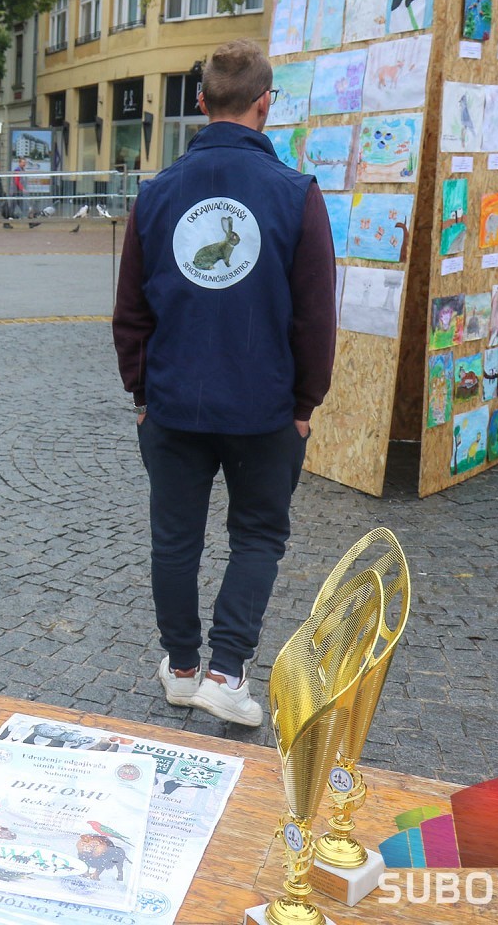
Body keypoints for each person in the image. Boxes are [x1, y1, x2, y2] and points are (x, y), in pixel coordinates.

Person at [111, 38, 336, 728]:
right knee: (258, 537)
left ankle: (181, 667)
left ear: (200, 101)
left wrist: (142, 394)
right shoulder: (296, 195)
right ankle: (226, 672)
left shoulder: (156, 195)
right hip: (265, 408)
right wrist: (305, 403)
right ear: (266, 104)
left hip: (174, 404)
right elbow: (315, 316)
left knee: (175, 540)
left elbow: (129, 312)